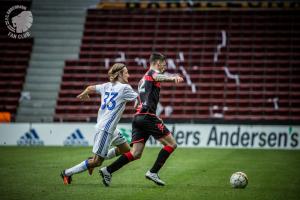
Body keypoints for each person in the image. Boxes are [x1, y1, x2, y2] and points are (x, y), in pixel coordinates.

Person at [100, 52, 184, 186]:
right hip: (147, 116)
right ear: (157, 63)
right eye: (164, 64)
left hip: (139, 117)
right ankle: (153, 172)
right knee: (171, 144)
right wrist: (173, 78)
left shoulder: (143, 79)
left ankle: (108, 170)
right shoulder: (152, 74)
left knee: (136, 153)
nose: (165, 66)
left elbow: (144, 99)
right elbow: (158, 76)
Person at [60, 63, 138, 184]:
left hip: (108, 127)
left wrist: (84, 94)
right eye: (126, 72)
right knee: (97, 162)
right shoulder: (125, 88)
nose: (129, 74)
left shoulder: (106, 86)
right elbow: (138, 98)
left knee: (126, 149)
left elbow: (90, 88)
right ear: (120, 74)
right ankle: (67, 173)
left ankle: (93, 160)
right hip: (105, 129)